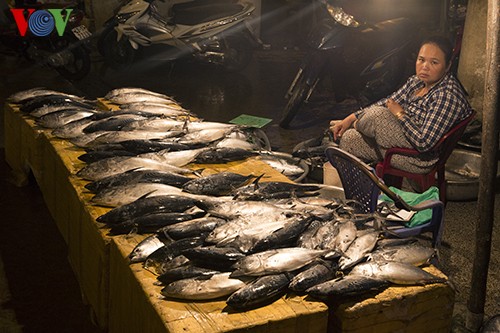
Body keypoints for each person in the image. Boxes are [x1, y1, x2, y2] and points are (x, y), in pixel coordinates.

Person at [330, 35, 473, 175]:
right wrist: (349, 118)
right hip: (401, 140)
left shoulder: (446, 95)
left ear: (447, 66)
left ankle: (358, 125)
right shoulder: (416, 82)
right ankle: (362, 192)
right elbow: (388, 102)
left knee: (376, 116)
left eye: (434, 62)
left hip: (418, 158)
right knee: (349, 139)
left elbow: (424, 143)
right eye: (421, 60)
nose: (425, 67)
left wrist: (400, 114)